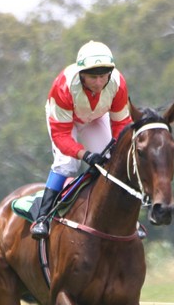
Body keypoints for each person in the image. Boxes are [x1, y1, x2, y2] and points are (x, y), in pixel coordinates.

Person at [30, 40, 134, 240]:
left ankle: (125, 219)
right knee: (67, 164)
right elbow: (61, 136)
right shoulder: (63, 87)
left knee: (112, 161)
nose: (98, 83)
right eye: (93, 77)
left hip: (95, 118)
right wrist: (85, 155)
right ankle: (42, 218)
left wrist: (115, 146)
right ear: (81, 75)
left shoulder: (118, 83)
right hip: (66, 122)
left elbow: (121, 124)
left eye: (103, 77)